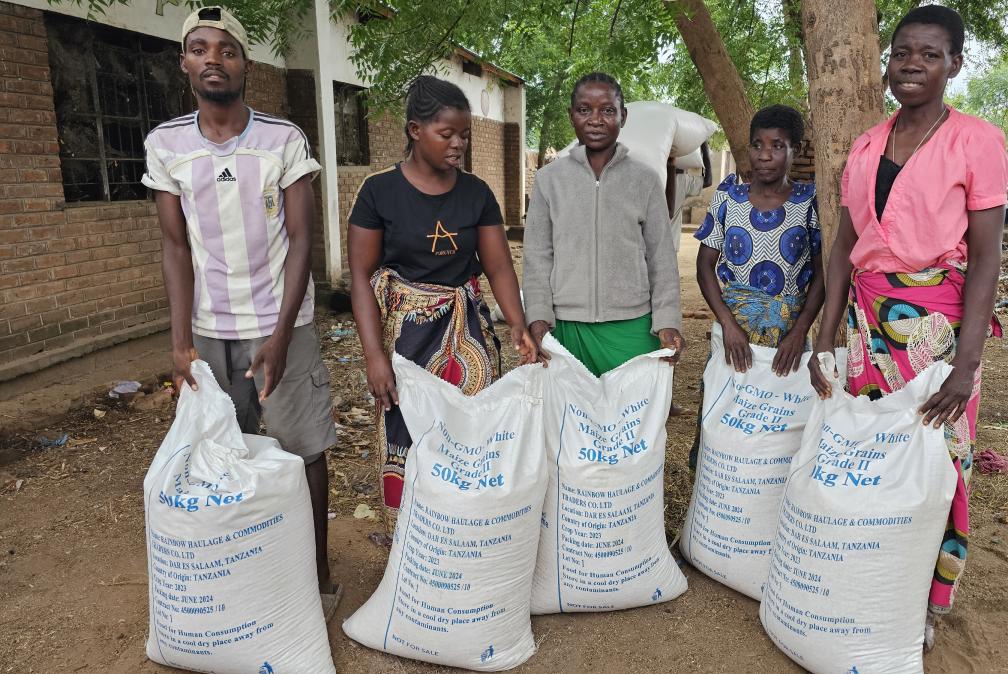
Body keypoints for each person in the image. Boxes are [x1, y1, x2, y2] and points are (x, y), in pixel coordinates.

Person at [807, 4, 1007, 651]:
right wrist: (826, 335)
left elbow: (985, 257)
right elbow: (842, 247)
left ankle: (921, 598)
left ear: (955, 63)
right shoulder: (867, 145)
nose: (911, 65)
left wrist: (967, 363)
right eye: (901, 53)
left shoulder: (977, 141)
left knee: (937, 465)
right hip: (868, 329)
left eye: (928, 53)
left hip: (938, 335)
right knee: (874, 460)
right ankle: (872, 577)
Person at [143, 6, 341, 618]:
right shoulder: (166, 144)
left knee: (302, 449)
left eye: (226, 50)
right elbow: (176, 246)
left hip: (283, 325)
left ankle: (315, 577)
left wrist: (280, 337)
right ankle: (252, 567)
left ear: (244, 63)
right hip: (210, 329)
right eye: (199, 49)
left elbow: (303, 241)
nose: (213, 60)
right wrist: (181, 345)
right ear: (184, 63)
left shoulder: (283, 139)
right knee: (222, 455)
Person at [347, 76, 537, 532]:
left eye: (464, 135)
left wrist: (517, 324)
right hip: (406, 336)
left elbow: (498, 267)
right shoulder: (379, 192)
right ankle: (412, 541)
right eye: (446, 134)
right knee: (406, 433)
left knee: (471, 434)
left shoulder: (476, 193)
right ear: (415, 130)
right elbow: (360, 275)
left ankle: (466, 536)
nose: (459, 145)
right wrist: (374, 356)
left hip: (465, 330)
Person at [689, 105, 825, 468]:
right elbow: (705, 266)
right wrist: (729, 326)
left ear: (795, 150)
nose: (765, 155)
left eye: (777, 145)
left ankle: (769, 506)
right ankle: (715, 498)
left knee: (778, 429)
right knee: (722, 419)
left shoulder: (809, 202)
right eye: (757, 145)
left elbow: (822, 273)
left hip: (787, 337)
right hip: (734, 332)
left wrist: (800, 332)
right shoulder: (728, 197)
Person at [523, 72, 684, 376]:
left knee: (631, 420)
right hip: (566, 328)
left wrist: (667, 321)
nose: (595, 119)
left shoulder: (645, 180)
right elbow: (537, 259)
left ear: (623, 116)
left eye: (607, 110)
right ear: (572, 116)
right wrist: (538, 317)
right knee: (569, 421)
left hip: (633, 327)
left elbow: (661, 257)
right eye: (584, 110)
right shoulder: (549, 180)